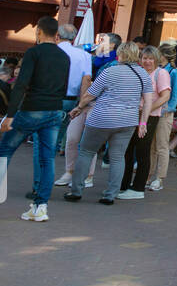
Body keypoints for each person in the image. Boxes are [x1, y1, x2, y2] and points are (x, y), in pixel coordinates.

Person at [0, 16, 69, 221]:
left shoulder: (34, 52)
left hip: (31, 110)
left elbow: (21, 84)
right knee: (47, 160)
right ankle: (40, 207)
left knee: (4, 153)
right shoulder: (64, 57)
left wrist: (10, 115)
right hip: (54, 111)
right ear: (56, 34)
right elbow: (64, 86)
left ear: (38, 32)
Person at [64, 41, 152, 204]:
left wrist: (79, 107)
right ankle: (110, 195)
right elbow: (148, 101)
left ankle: (76, 191)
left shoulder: (109, 71)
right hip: (128, 120)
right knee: (118, 157)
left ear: (121, 54)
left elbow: (90, 94)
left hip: (102, 118)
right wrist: (143, 123)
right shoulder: (143, 74)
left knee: (86, 152)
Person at [116, 46, 169, 201]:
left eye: (151, 58)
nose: (147, 61)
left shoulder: (161, 73)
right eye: (144, 58)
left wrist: (147, 109)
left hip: (150, 116)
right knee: (127, 149)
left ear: (157, 60)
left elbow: (165, 96)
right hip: (133, 114)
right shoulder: (139, 72)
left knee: (142, 150)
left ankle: (138, 187)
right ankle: (123, 184)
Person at [147, 44, 177, 191]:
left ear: (163, 55)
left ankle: (159, 178)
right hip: (152, 111)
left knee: (162, 146)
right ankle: (148, 176)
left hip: (164, 113)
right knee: (151, 146)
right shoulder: (157, 70)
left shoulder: (174, 72)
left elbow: (174, 97)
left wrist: (166, 109)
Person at [55, 23, 93, 153]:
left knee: (42, 137)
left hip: (46, 96)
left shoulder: (50, 51)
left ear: (57, 36)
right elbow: (86, 80)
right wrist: (82, 104)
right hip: (69, 99)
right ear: (74, 37)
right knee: (58, 134)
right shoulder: (85, 56)